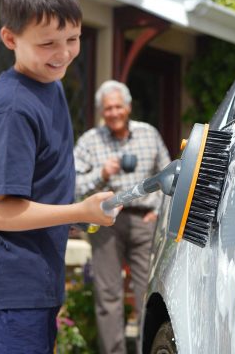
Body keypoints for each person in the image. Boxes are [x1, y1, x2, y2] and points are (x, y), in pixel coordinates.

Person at [0, 0, 118, 354]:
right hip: (5, 297)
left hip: (29, 289)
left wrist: (79, 214)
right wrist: (77, 210)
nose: (63, 53)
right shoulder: (11, 110)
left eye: (73, 39)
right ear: (10, 39)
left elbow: (38, 187)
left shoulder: (51, 86)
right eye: (47, 43)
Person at [74, 80, 171, 354]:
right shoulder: (90, 141)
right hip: (105, 223)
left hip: (144, 221)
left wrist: (158, 212)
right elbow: (72, 184)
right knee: (108, 295)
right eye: (108, 109)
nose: (114, 112)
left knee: (147, 293)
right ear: (100, 112)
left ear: (127, 107)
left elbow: (169, 175)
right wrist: (101, 174)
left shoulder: (148, 134)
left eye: (118, 107)